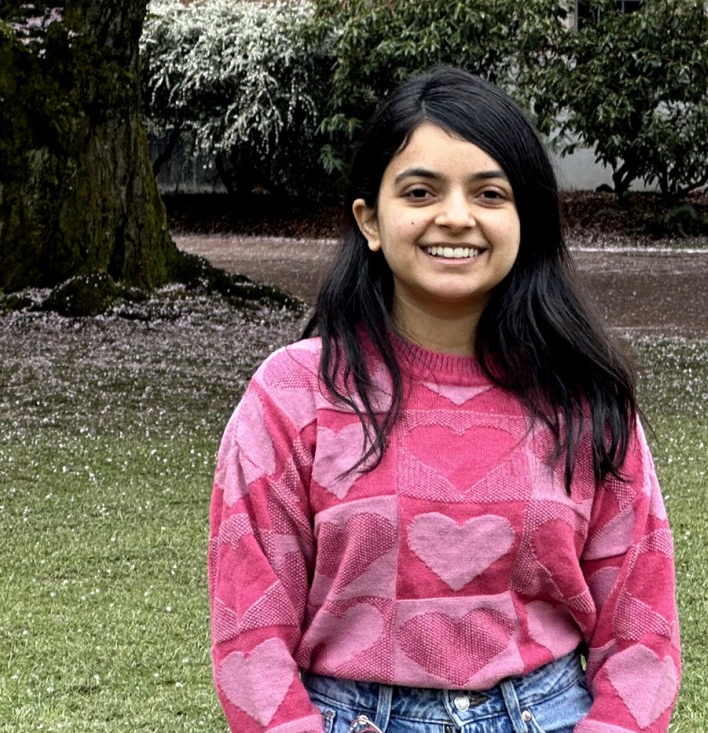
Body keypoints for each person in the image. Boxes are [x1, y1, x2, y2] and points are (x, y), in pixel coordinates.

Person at [208, 67, 680, 733]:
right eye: (421, 191)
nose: (456, 216)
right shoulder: (291, 397)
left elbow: (643, 636)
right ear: (370, 220)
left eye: (490, 193)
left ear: (526, 220)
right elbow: (249, 639)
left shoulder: (584, 399)